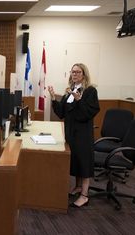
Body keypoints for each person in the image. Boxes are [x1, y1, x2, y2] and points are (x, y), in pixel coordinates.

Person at [48, 63, 100, 208]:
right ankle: (77, 187)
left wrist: (79, 100)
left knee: (83, 162)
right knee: (75, 160)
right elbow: (61, 113)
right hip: (71, 133)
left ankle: (84, 195)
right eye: (72, 72)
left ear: (84, 74)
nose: (74, 74)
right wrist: (53, 98)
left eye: (78, 72)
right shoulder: (70, 91)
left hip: (83, 133)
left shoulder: (90, 91)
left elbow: (89, 113)